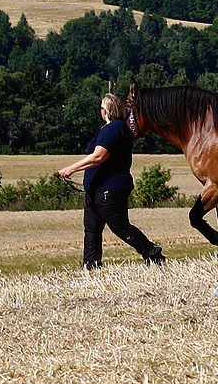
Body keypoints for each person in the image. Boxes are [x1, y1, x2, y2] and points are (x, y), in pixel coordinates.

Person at [58, 93, 164, 269]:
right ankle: (91, 265)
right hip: (96, 189)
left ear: (105, 111)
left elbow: (99, 156)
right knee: (92, 228)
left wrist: (71, 168)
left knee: (120, 226)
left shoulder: (114, 128)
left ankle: (152, 252)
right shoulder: (111, 129)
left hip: (109, 188)